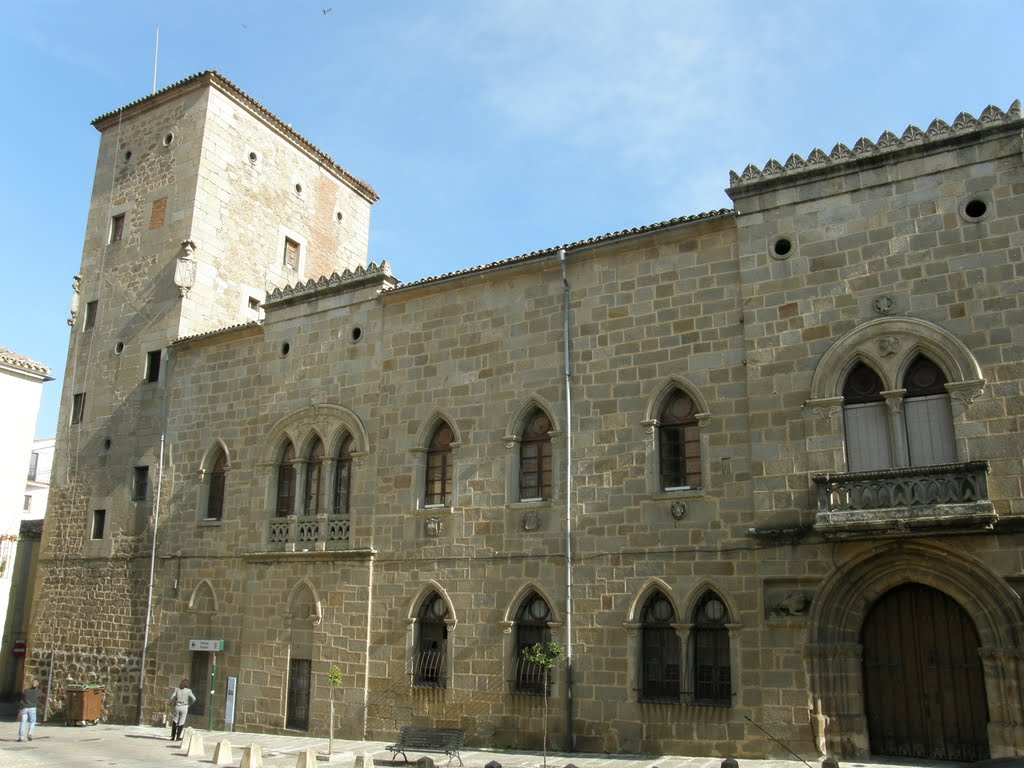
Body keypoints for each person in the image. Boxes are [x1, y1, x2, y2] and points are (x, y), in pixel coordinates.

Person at [18, 677, 42, 742]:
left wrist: (20, 709)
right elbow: (39, 699)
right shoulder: (39, 692)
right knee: (32, 721)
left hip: (24, 708)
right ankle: (30, 734)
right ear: (38, 685)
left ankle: (21, 738)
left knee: (23, 722)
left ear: (31, 684)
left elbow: (22, 699)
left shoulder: (26, 691)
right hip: (32, 708)